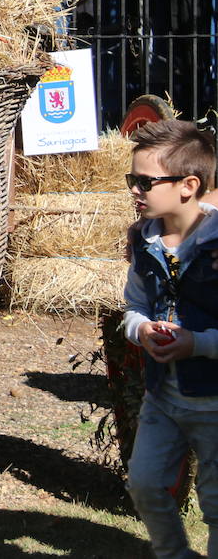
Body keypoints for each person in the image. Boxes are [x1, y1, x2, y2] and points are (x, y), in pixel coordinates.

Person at [123, 119, 218, 559]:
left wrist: (195, 343)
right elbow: (134, 307)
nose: (135, 190)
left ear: (188, 185)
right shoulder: (145, 242)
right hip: (163, 395)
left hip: (214, 402)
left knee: (216, 506)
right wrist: (141, 330)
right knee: (143, 483)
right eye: (132, 180)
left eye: (145, 181)